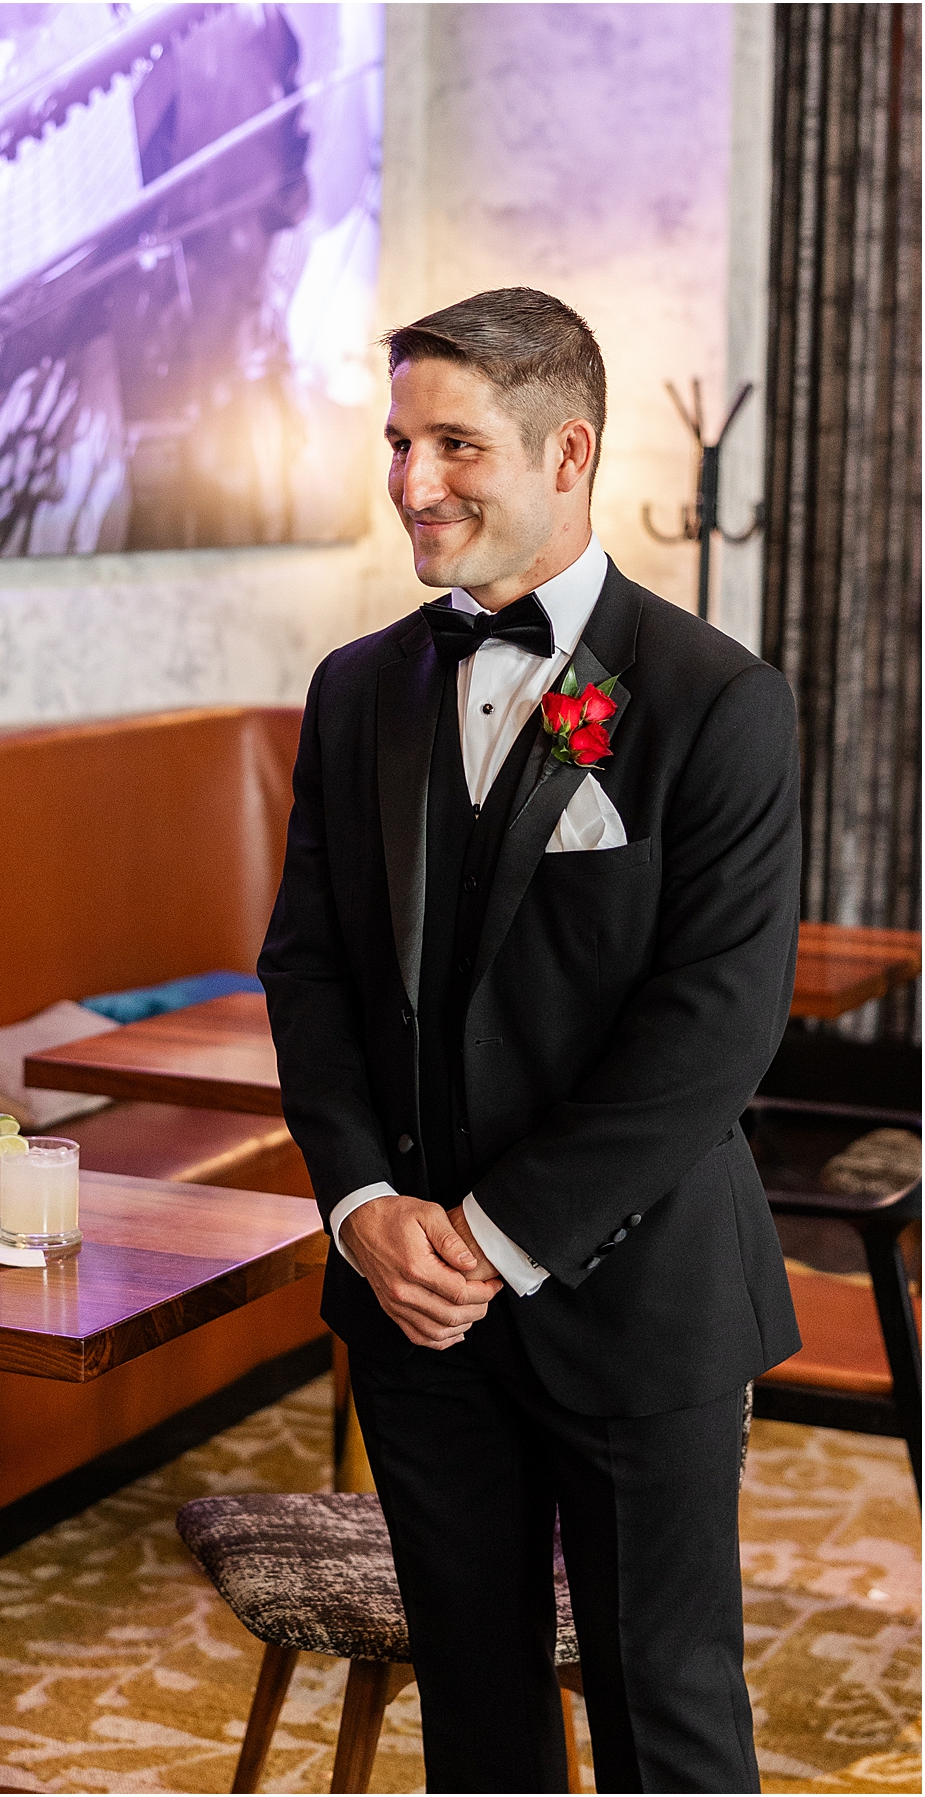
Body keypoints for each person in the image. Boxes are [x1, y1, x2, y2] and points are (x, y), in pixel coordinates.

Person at [258, 288, 802, 1794]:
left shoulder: (717, 701)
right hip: (407, 1310)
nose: (411, 481)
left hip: (639, 1301)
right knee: (477, 1722)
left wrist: (491, 1241)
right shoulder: (357, 688)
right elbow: (307, 971)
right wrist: (365, 1208)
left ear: (569, 453)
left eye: (454, 443)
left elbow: (714, 1031)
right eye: (399, 441)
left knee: (665, 1713)